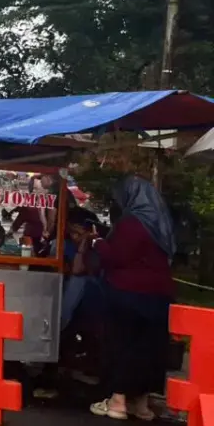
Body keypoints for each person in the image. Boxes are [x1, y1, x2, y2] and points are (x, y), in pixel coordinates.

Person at [89, 175, 176, 421]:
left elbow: (117, 256)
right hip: (160, 296)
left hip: (128, 294)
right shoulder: (160, 224)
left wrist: (97, 242)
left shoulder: (131, 223)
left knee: (123, 345)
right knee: (150, 349)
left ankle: (117, 401)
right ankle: (142, 404)